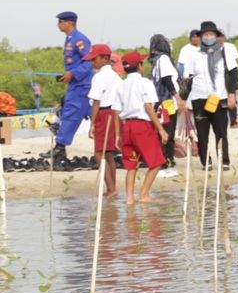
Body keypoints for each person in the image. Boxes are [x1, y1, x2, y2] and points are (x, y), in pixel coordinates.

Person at [116, 52, 168, 204]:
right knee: (157, 161)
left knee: (132, 165)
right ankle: (144, 194)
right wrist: (161, 129)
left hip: (127, 126)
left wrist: (119, 134)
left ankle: (130, 198)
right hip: (142, 126)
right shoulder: (145, 82)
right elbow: (149, 107)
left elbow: (116, 111)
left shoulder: (122, 84)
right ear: (139, 66)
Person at [187, 20, 238, 170]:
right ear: (201, 36)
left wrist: (231, 94)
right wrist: (185, 101)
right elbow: (188, 78)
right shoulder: (194, 54)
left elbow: (233, 74)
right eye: (205, 34)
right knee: (202, 132)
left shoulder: (224, 51)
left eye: (211, 34)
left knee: (221, 131)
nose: (208, 36)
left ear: (216, 36)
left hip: (219, 96)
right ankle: (206, 161)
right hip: (199, 97)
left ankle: (224, 161)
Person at [53, 11, 93, 166]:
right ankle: (59, 147)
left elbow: (89, 62)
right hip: (75, 84)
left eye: (61, 21)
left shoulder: (80, 40)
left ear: (70, 23)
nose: (59, 24)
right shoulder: (69, 39)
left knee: (73, 114)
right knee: (70, 114)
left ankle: (60, 147)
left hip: (83, 85)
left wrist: (73, 74)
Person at [85, 43, 122, 194]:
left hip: (104, 113)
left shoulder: (99, 76)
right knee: (108, 153)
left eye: (95, 59)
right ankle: (112, 187)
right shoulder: (116, 76)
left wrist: (92, 124)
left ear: (105, 59)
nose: (92, 62)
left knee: (99, 153)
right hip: (115, 114)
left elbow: (96, 101)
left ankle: (111, 189)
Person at [148, 34, 181, 172]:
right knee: (168, 131)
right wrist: (178, 97)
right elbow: (167, 79)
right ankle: (166, 160)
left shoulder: (156, 60)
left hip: (160, 102)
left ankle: (164, 159)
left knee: (163, 130)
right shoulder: (164, 59)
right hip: (167, 102)